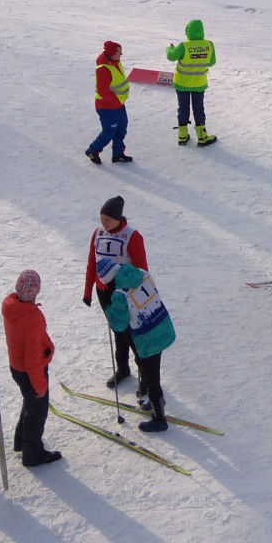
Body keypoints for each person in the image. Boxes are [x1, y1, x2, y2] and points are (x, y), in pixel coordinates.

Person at [82, 196, 148, 387]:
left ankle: (145, 375)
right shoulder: (98, 233)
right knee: (117, 331)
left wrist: (141, 296)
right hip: (104, 292)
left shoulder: (132, 236)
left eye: (108, 220)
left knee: (132, 334)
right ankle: (123, 369)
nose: (103, 223)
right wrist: (87, 292)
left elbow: (142, 270)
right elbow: (91, 264)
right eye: (101, 218)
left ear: (119, 219)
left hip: (125, 294)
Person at [103, 263, 175, 432]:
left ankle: (159, 419)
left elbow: (119, 326)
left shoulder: (120, 295)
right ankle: (156, 402)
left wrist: (109, 311)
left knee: (151, 376)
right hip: (163, 328)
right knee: (151, 371)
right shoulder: (142, 273)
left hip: (148, 339)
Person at [2, 270, 61, 467]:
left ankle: (21, 441)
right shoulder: (32, 317)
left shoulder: (11, 305)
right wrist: (40, 386)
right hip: (30, 371)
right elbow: (33, 358)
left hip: (17, 367)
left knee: (29, 404)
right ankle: (32, 454)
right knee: (37, 411)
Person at [165, 19, 217, 147]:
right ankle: (202, 136)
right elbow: (212, 62)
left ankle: (182, 136)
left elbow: (171, 57)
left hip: (182, 83)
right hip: (199, 83)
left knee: (183, 108)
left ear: (188, 32)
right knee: (198, 108)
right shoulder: (209, 44)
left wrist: (169, 48)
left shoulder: (184, 45)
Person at [85, 40, 132, 164]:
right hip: (107, 107)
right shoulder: (102, 69)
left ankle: (118, 154)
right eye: (119, 53)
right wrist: (115, 101)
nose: (121, 55)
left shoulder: (116, 62)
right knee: (109, 132)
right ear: (111, 53)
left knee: (121, 130)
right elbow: (103, 91)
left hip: (119, 105)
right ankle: (92, 150)